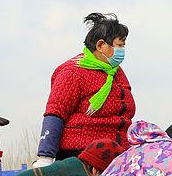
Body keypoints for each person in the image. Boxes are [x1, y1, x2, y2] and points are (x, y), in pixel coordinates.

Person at [33, 13, 135, 166]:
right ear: (100, 45)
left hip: (118, 154)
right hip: (81, 157)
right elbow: (55, 113)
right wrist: (45, 157)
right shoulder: (73, 71)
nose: (122, 50)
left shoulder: (116, 73)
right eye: (120, 45)